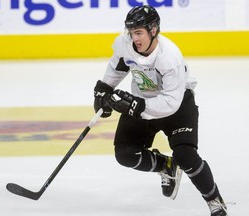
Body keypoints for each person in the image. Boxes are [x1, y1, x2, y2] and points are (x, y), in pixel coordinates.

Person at [93, 5, 228, 216]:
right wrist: (104, 88)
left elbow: (171, 102)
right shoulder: (125, 43)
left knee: (185, 155)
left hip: (178, 105)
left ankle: (214, 200)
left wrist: (138, 107)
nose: (134, 38)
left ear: (153, 30)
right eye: (131, 32)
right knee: (125, 154)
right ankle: (165, 165)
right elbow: (119, 63)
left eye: (139, 32)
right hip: (143, 101)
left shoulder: (169, 57)